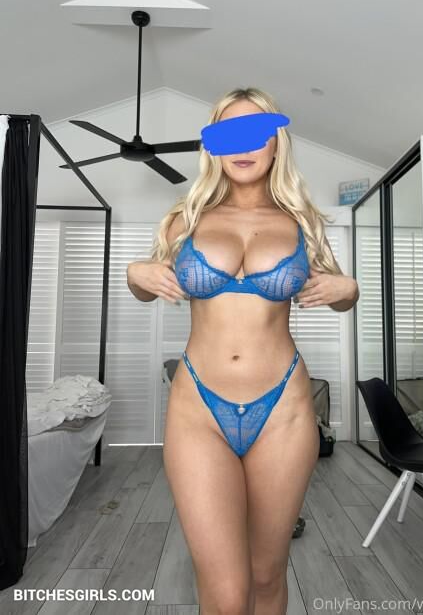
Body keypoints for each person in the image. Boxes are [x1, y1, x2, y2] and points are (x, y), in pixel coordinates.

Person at [127, 87, 359, 615]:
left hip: (283, 411)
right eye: (229, 134)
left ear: (277, 142)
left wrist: (350, 288)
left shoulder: (302, 223)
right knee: (226, 592)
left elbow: (339, 295)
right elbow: (147, 287)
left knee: (266, 575)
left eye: (255, 132)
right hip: (198, 411)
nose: (243, 146)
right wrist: (134, 274)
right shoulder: (186, 217)